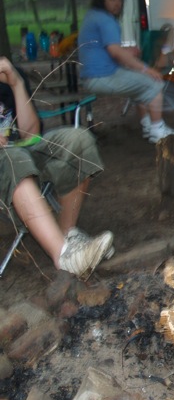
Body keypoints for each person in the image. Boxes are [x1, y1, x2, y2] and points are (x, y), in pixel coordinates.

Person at [0, 57, 114, 279]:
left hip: (23, 151)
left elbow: (31, 135)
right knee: (14, 160)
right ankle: (62, 256)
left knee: (78, 140)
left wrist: (16, 82)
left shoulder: (7, 75)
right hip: (9, 163)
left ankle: (68, 237)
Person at [78, 0, 174, 144]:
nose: (117, 3)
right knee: (153, 82)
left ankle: (147, 125)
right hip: (103, 77)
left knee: (139, 85)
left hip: (91, 77)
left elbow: (105, 49)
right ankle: (157, 130)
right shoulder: (106, 20)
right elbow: (115, 52)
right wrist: (146, 69)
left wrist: (126, 51)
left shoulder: (92, 15)